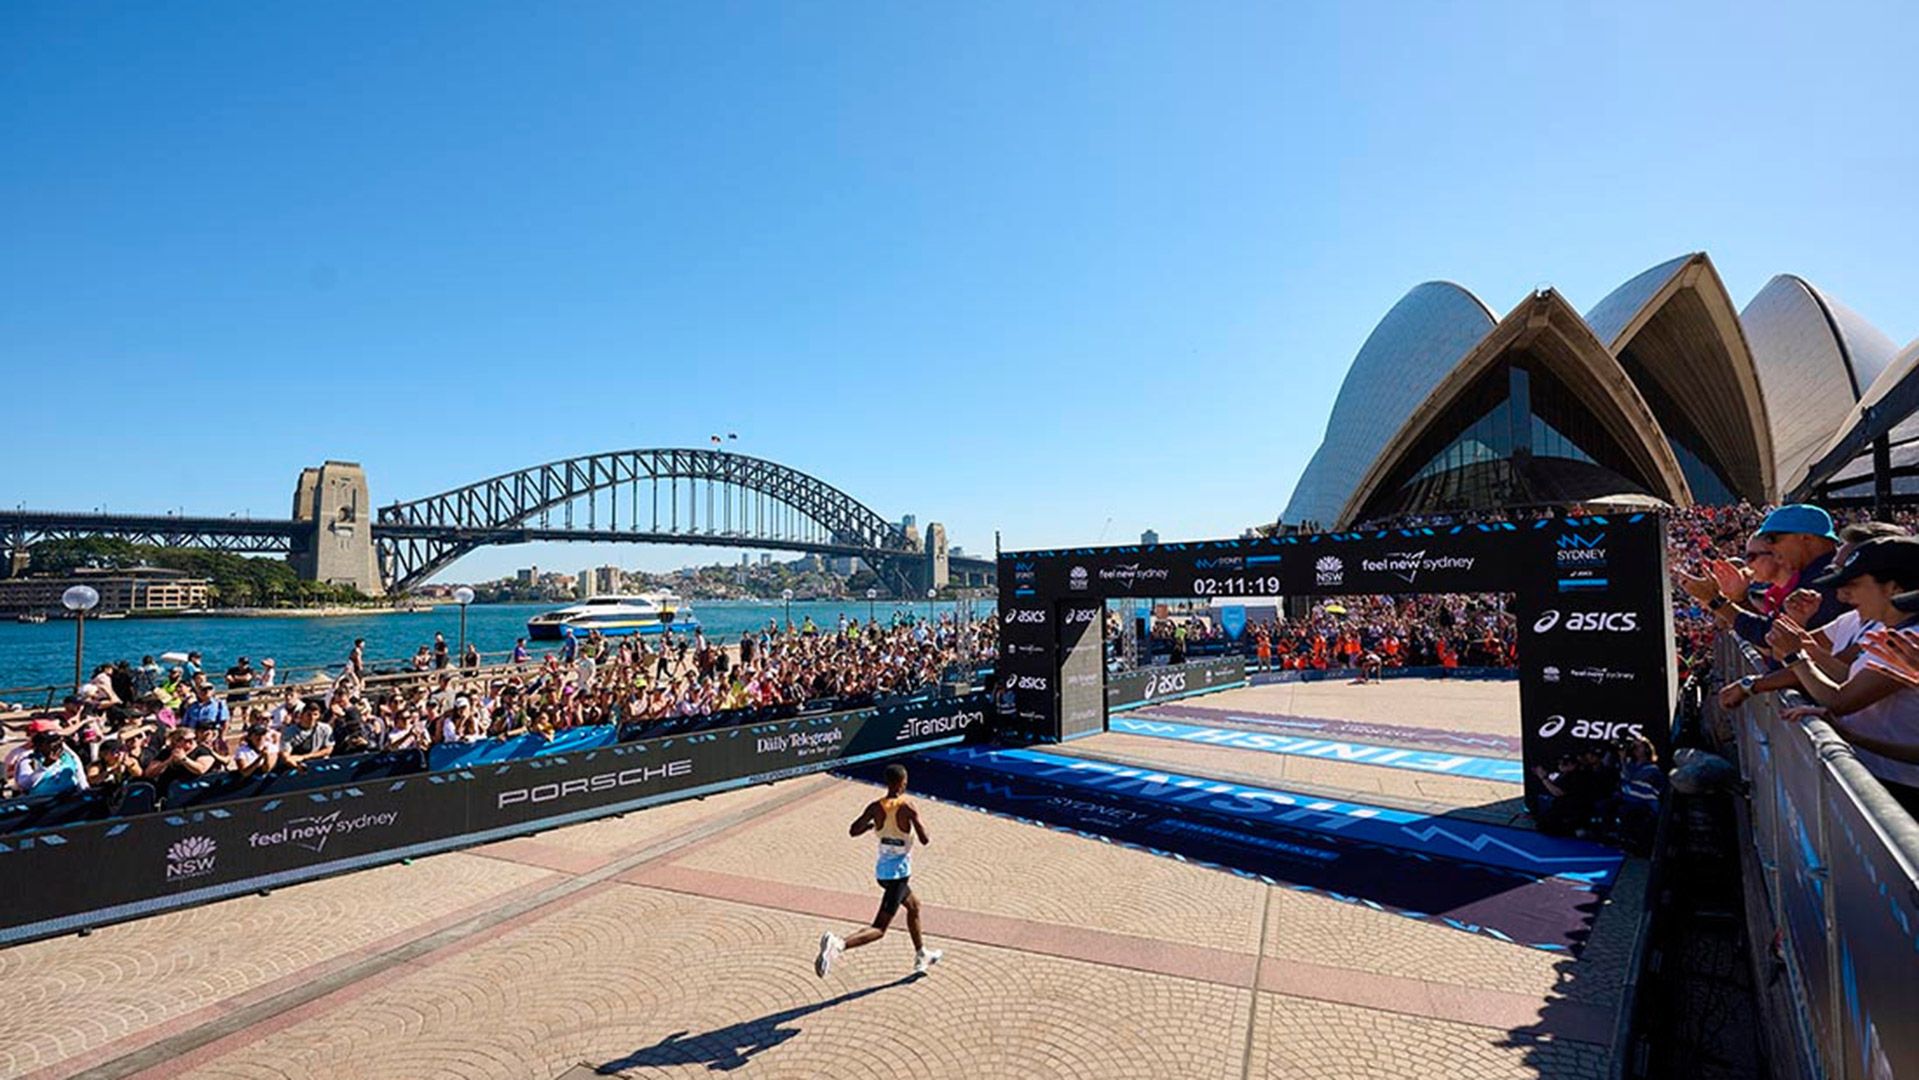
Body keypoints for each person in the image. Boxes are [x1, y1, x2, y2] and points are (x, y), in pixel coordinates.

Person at [815, 764, 942, 978]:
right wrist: (915, 821)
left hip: (883, 873)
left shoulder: (875, 807)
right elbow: (925, 839)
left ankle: (922, 954)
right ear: (903, 783)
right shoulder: (907, 807)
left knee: (914, 906)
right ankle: (838, 945)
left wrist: (869, 827)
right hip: (898, 876)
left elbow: (853, 830)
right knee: (879, 929)